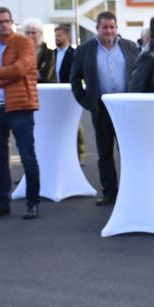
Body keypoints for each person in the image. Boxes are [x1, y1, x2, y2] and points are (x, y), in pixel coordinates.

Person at [0, 7, 40, 220]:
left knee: (27, 157)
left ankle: (32, 203)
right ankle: (1, 202)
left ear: (12, 22)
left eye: (7, 21)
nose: (4, 25)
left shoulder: (25, 43)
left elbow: (21, 69)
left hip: (20, 107)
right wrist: (3, 77)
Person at [70, 11, 138, 206]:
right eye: (104, 27)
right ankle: (110, 192)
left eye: (112, 27)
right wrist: (87, 102)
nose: (108, 31)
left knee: (128, 151)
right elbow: (74, 79)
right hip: (101, 109)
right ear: (97, 29)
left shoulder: (130, 47)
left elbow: (139, 74)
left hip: (127, 108)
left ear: (116, 28)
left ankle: (130, 189)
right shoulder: (85, 50)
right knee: (105, 153)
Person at [53, 24, 85, 162]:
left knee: (75, 123)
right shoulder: (52, 53)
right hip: (54, 93)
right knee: (58, 123)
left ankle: (80, 153)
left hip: (71, 92)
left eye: (59, 35)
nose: (56, 38)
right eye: (55, 36)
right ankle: (62, 154)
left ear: (67, 36)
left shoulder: (75, 53)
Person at [23, 18, 54, 83]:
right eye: (27, 33)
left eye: (33, 33)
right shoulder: (19, 51)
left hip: (42, 88)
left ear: (40, 34)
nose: (30, 35)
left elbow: (46, 74)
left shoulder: (48, 52)